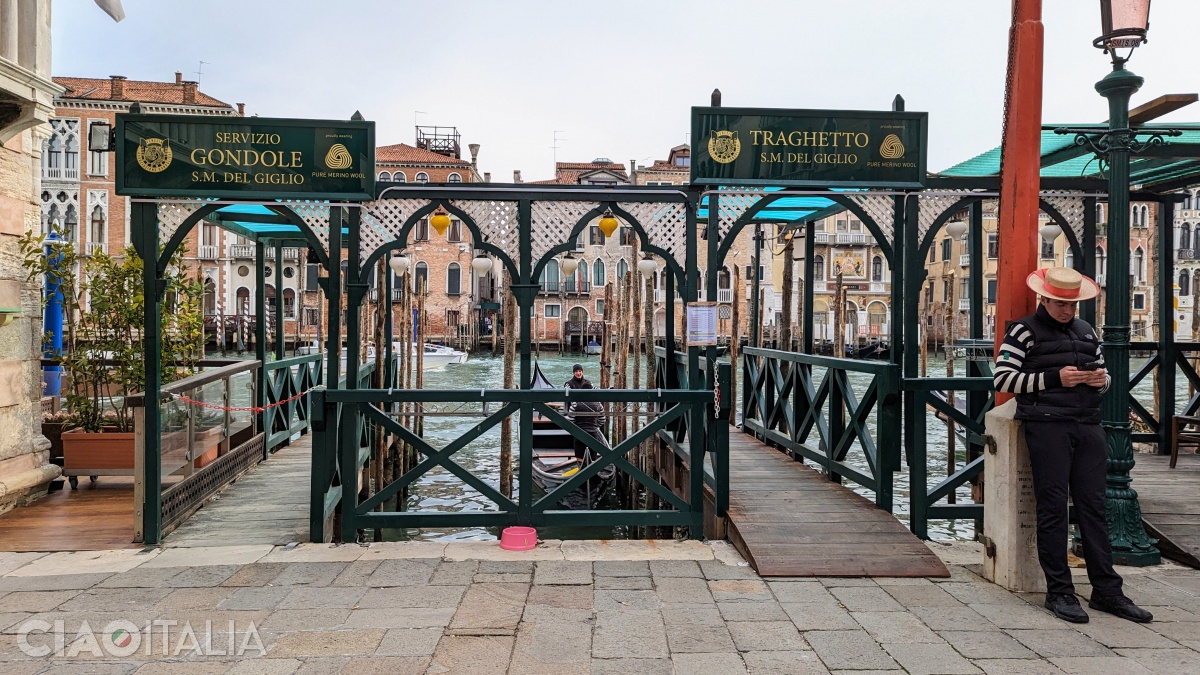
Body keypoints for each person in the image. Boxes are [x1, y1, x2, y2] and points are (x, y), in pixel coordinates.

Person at [993, 267, 1152, 624]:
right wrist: (1056, 377)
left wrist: (1100, 380)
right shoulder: (1022, 331)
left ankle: (1107, 591)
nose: (1068, 310)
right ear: (1044, 299)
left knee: (1094, 508)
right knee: (1052, 509)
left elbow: (1105, 378)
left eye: (1073, 304)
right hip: (1046, 427)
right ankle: (1060, 592)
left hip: (1088, 426)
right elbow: (1003, 378)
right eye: (1062, 304)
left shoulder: (1086, 330)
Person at [565, 364, 606, 459]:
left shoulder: (589, 383)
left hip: (579, 428)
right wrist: (595, 425)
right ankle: (591, 468)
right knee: (593, 455)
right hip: (593, 430)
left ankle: (581, 466)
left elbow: (570, 420)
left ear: (582, 372)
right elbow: (602, 420)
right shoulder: (569, 384)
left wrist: (576, 427)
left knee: (579, 452)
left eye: (579, 371)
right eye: (576, 371)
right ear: (574, 373)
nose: (578, 373)